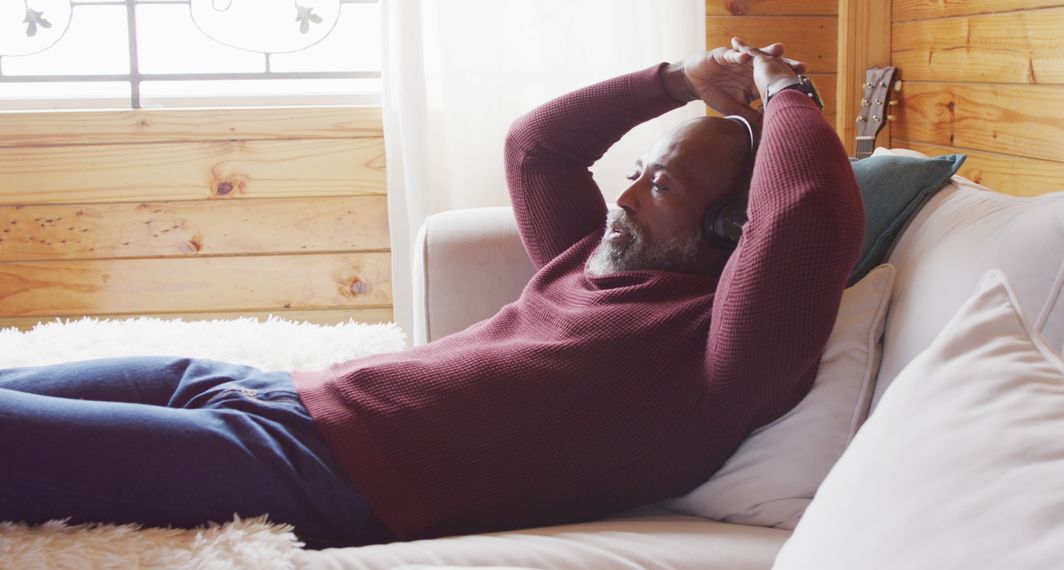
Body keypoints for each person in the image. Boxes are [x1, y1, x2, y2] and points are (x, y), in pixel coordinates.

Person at [0, 38, 864, 548]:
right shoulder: (590, 257)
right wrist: (678, 80)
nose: (629, 194)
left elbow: (804, 213)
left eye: (663, 187)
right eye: (639, 172)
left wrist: (787, 90)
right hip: (260, 391)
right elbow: (537, 148)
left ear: (727, 234)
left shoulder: (716, 355)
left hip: (304, 470)